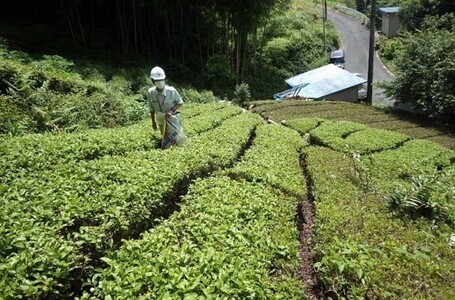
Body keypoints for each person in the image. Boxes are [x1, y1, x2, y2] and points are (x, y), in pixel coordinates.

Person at [146, 66, 184, 136]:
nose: (159, 82)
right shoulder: (150, 92)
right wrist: (153, 122)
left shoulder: (171, 90)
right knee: (165, 139)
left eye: (161, 79)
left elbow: (180, 102)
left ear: (164, 79)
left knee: (178, 138)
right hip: (161, 119)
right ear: (152, 80)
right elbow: (151, 108)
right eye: (156, 80)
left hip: (173, 118)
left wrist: (171, 111)